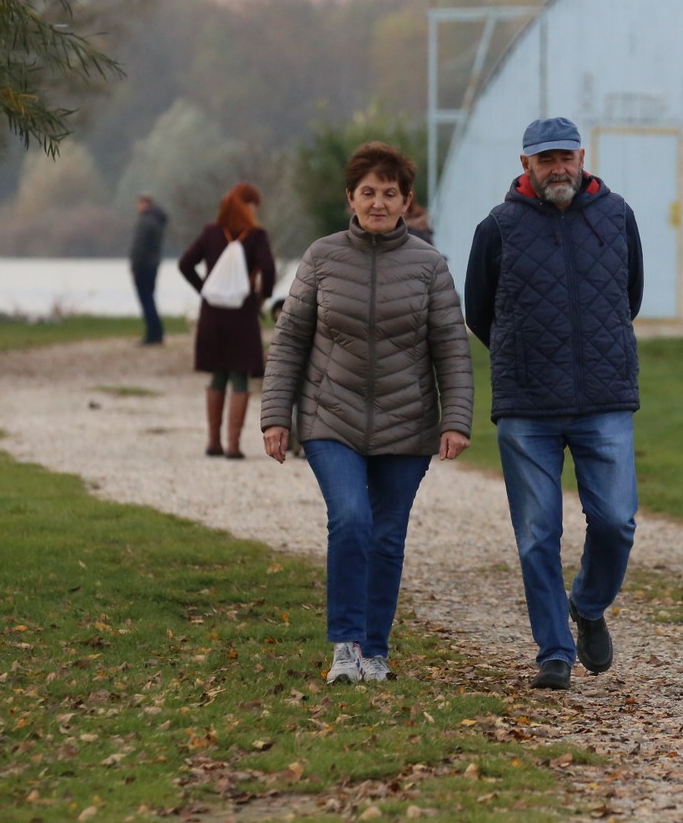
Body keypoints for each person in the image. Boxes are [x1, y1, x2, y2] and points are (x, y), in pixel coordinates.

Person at [261, 142, 473, 685]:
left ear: (407, 201)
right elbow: (289, 340)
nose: (379, 203)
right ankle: (346, 646)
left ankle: (375, 651)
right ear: (350, 198)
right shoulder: (321, 258)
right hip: (330, 417)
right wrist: (275, 415)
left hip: (408, 421)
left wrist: (456, 419)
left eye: (390, 193)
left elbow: (451, 346)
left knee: (387, 536)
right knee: (352, 520)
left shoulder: (430, 266)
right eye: (368, 192)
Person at [464, 116, 643, 691]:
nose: (557, 168)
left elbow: (630, 296)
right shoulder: (497, 227)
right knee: (538, 534)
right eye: (545, 160)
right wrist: (523, 355)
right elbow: (478, 313)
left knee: (615, 521)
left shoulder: (618, 216)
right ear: (526, 166)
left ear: (582, 157)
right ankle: (554, 652)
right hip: (527, 406)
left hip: (604, 397)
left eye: (566, 157)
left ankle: (587, 605)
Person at [178, 183, 277, 459]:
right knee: (240, 375)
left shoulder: (210, 233)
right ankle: (233, 445)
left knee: (217, 373)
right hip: (242, 314)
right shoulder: (256, 236)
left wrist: (205, 289)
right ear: (248, 206)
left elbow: (185, 263)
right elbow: (268, 268)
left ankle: (213, 441)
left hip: (212, 314)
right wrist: (263, 296)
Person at [129, 193, 168, 345]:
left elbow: (139, 247)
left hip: (143, 266)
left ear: (145, 204)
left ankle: (152, 334)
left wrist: (134, 267)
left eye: (139, 204)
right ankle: (157, 332)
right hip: (153, 265)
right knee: (150, 298)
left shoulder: (145, 222)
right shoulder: (158, 221)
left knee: (146, 300)